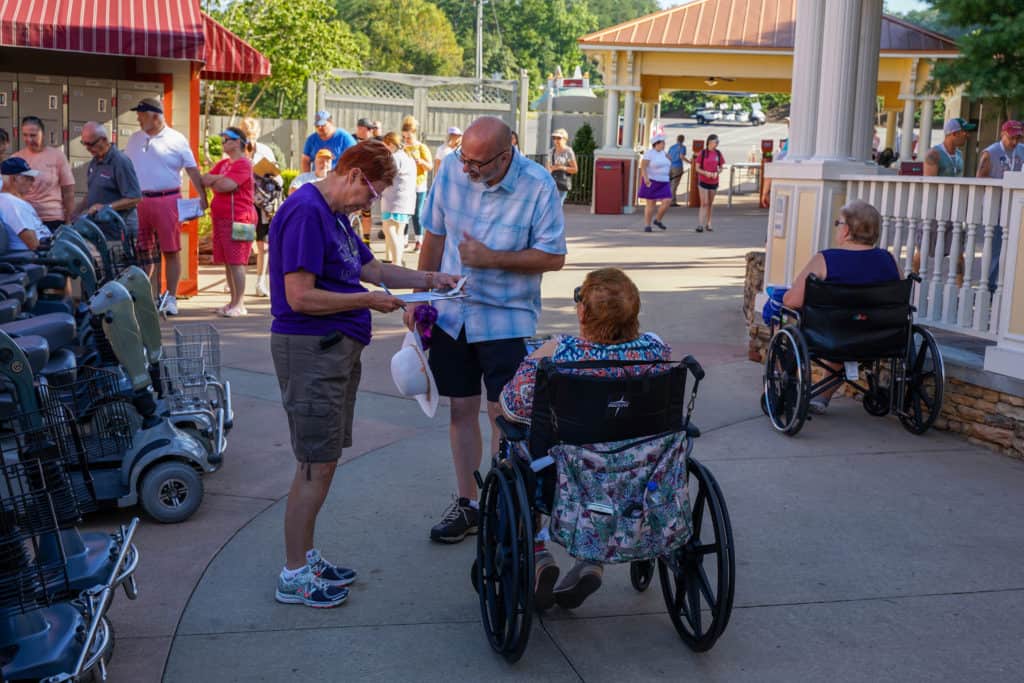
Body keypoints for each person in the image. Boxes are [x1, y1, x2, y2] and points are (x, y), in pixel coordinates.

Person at [269, 139, 458, 608]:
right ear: (352, 175)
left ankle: (304, 556)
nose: (371, 203)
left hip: (331, 349)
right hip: (311, 349)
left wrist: (433, 281)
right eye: (372, 193)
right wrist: (366, 300)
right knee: (315, 462)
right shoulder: (306, 212)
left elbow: (371, 266)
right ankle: (293, 572)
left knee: (323, 458)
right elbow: (299, 297)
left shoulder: (332, 215)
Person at [404, 116, 566, 544]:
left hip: (506, 317)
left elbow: (553, 256)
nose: (467, 170)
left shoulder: (538, 185)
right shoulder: (450, 173)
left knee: (503, 414)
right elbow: (433, 236)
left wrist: (492, 258)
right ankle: (469, 502)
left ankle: (502, 499)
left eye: (478, 164)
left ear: (506, 153)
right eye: (464, 159)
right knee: (460, 411)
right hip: (452, 313)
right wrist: (422, 294)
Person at [499, 267, 671, 610]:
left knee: (514, 450)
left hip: (566, 478)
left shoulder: (557, 354)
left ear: (582, 312)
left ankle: (537, 553)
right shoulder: (656, 350)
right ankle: (592, 562)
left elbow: (512, 408)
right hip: (636, 476)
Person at [782, 200, 901, 414]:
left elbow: (792, 301)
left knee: (783, 316)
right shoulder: (889, 260)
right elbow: (900, 300)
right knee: (849, 324)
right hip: (881, 338)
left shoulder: (826, 259)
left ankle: (787, 386)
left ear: (846, 230)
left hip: (831, 337)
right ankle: (821, 397)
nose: (837, 227)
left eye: (838, 223)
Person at [124, 97, 207, 314]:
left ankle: (171, 297)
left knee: (171, 250)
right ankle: (142, 295)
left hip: (167, 199)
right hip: (139, 200)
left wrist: (203, 197)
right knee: (142, 250)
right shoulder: (134, 139)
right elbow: (125, 168)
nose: (138, 119)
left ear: (155, 115)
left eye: (141, 115)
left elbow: (192, 169)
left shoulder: (176, 139)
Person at [202, 127, 256, 318]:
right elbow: (204, 179)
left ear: (238, 142)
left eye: (227, 139)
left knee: (238, 262)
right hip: (223, 219)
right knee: (227, 262)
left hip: (242, 218)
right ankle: (233, 302)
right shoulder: (224, 163)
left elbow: (227, 186)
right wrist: (219, 178)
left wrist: (217, 180)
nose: (223, 143)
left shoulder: (244, 164)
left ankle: (240, 304)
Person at [976, 120, 1024, 292]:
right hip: (996, 206)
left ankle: (1005, 285)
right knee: (995, 248)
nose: (1015, 141)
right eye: (1012, 137)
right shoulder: (990, 153)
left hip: (1016, 206)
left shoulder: (1021, 150)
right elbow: (980, 179)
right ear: (1003, 134)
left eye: (1018, 137)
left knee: (1013, 248)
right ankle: (988, 286)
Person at [73, 121, 142, 239]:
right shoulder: (95, 161)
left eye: (91, 144)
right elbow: (92, 192)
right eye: (84, 144)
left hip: (119, 230)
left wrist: (106, 207)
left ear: (104, 140)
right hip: (100, 228)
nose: (87, 149)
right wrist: (76, 211)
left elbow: (135, 198)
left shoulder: (120, 161)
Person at [240, 117, 282, 298]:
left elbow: (278, 178)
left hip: (262, 204)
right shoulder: (235, 151)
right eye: (247, 135)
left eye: (253, 135)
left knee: (263, 243)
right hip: (243, 203)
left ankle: (260, 281)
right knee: (241, 242)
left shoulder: (265, 151)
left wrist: (268, 172)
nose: (250, 139)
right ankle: (235, 280)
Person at [11, 115, 74, 231]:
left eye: (33, 135)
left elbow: (68, 191)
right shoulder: (16, 158)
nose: (29, 139)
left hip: (53, 219)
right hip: (25, 219)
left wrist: (69, 221)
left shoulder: (57, 156)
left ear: (43, 134)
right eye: (25, 135)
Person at [380, 132, 416, 266]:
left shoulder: (395, 157)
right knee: (399, 232)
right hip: (405, 199)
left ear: (390, 144)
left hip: (394, 199)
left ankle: (396, 261)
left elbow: (387, 176)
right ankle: (396, 258)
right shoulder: (408, 157)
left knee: (389, 229)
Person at [0, 157, 48, 250]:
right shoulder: (12, 204)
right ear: (14, 179)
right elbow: (34, 245)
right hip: (35, 260)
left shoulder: (11, 201)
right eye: (28, 177)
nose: (33, 181)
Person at [401, 116, 432, 253]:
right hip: (406, 185)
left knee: (417, 214)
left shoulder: (421, 147)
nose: (406, 140)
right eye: (404, 137)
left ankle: (419, 241)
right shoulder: (403, 148)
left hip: (419, 185)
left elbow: (429, 166)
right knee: (405, 213)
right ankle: (404, 240)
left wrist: (420, 161)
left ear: (414, 134)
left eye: (408, 137)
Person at [639, 135, 673, 233]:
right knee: (651, 204)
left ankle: (657, 220)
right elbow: (644, 167)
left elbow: (669, 162)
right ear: (656, 144)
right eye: (662, 143)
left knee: (667, 201)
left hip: (664, 181)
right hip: (652, 181)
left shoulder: (664, 153)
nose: (664, 144)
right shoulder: (649, 154)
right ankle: (647, 225)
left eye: (664, 143)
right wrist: (646, 178)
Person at [694, 134, 725, 233]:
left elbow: (721, 167)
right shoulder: (702, 153)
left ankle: (709, 223)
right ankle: (700, 224)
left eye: (717, 142)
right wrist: (705, 173)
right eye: (715, 142)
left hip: (714, 181)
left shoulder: (718, 153)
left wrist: (717, 173)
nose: (716, 144)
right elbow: (697, 168)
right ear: (710, 142)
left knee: (710, 204)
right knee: (704, 203)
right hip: (703, 181)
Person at [547, 128, 578, 206]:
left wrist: (562, 167)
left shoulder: (568, 151)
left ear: (565, 139)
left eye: (559, 138)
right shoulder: (551, 151)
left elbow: (575, 169)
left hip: (561, 183)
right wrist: (550, 169)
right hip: (551, 182)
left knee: (557, 206)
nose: (556, 140)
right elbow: (547, 168)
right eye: (554, 138)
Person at [667, 134, 689, 206]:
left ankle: (667, 200)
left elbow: (667, 156)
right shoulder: (682, 147)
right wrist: (690, 162)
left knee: (669, 184)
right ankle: (672, 201)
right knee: (674, 185)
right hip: (678, 167)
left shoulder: (672, 147)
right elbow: (681, 156)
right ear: (683, 140)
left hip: (670, 166)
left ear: (677, 139)